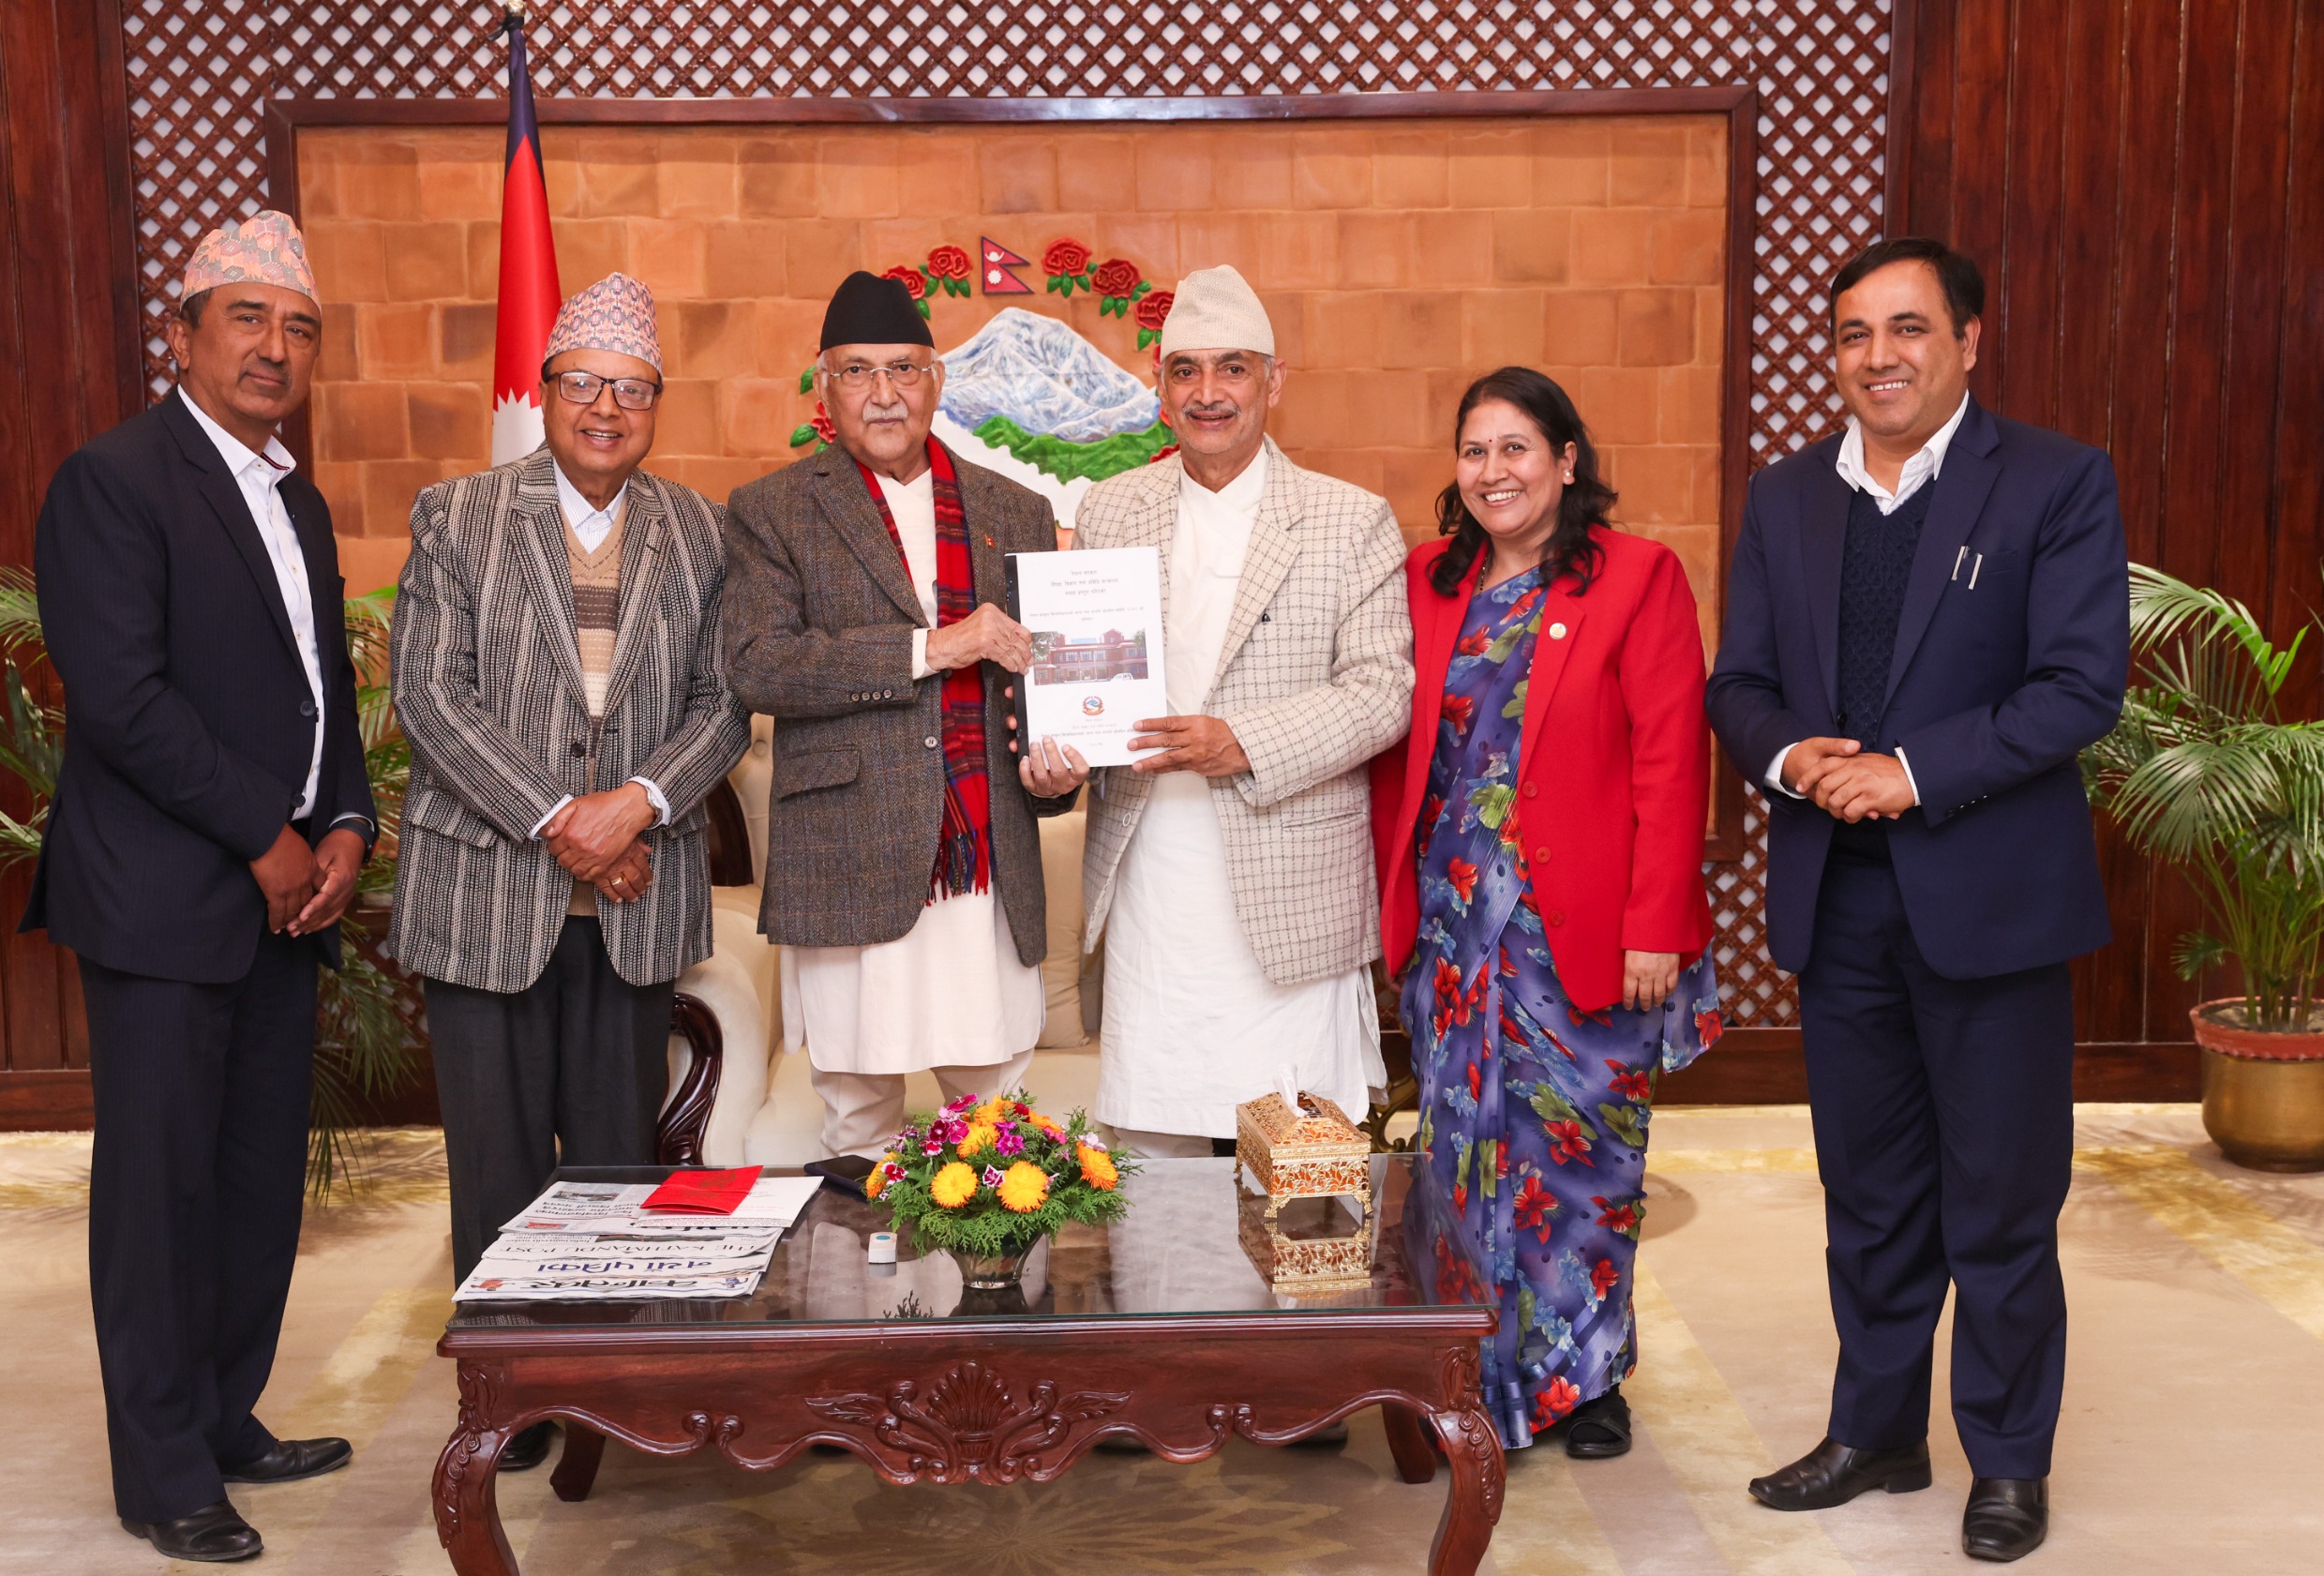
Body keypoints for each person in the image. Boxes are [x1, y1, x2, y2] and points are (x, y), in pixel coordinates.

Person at [1706, 238, 2126, 1562]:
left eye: (1906, 327)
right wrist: (1794, 757)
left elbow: (2076, 687)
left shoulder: (2055, 481)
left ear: (1969, 339)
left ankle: (2006, 1459)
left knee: (2000, 1198)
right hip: (1841, 905)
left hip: (1992, 902)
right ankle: (1877, 1430)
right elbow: (1742, 684)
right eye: (1850, 333)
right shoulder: (1784, 498)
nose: (1876, 356)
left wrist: (1909, 771)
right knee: (1871, 1192)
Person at [22, 210, 376, 1562]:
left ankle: (226, 1413)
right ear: (181, 334)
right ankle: (161, 1466)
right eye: (247, 319)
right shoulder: (113, 480)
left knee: (249, 1182)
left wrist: (341, 822)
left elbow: (324, 690)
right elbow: (122, 699)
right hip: (170, 900)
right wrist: (264, 835)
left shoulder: (295, 494)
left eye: (299, 328)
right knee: (161, 1193)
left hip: (286, 900)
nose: (276, 348)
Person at [391, 273, 747, 1466]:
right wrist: (563, 819)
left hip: (636, 896)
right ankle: (510, 1398)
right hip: (487, 888)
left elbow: (723, 701)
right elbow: (428, 697)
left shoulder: (701, 529)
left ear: (658, 403)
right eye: (584, 383)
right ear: (542, 392)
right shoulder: (456, 512)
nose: (606, 407)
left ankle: (603, 1382)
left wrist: (636, 805)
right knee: (492, 1161)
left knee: (611, 1162)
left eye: (631, 389)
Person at [1370, 368, 1719, 1457]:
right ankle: (1467, 1374)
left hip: (1585, 927)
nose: (1493, 471)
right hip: (1453, 934)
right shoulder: (1424, 578)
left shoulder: (1637, 576)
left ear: (1568, 460)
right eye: (1475, 451)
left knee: (1584, 1156)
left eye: (1517, 447)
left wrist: (1653, 921)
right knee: (1462, 1159)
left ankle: (1588, 1380)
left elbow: (1673, 756)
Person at [1032, 264, 1413, 1154]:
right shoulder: (1112, 507)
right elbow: (1081, 681)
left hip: (1292, 880)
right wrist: (1056, 752)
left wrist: (1237, 740)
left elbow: (1382, 692)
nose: (1209, 394)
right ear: (1159, 390)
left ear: (1273, 381)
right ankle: (1169, 1300)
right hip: (1151, 876)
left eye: (1233, 368)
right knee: (1155, 1156)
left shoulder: (1347, 519)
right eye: (1185, 371)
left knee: (1300, 1171)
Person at [719, 272, 1074, 1161]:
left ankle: (996, 1295)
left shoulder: (1017, 510)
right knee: (857, 1127)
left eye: (905, 369)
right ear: (824, 384)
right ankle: (857, 1301)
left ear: (937, 379)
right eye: (858, 371)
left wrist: (1061, 771)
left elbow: (1051, 687)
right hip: (848, 854)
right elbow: (759, 665)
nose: (884, 393)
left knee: (996, 1133)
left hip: (982, 859)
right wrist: (931, 649)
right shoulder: (772, 510)